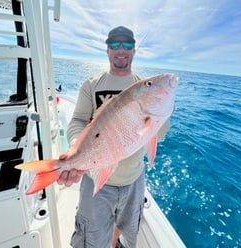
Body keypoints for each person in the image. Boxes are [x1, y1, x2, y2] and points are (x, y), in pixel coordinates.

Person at [57, 26, 170, 248]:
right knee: (92, 237)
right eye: (115, 44)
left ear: (134, 50)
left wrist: (163, 113)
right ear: (107, 50)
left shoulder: (144, 86)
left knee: (124, 229)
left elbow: (160, 135)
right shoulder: (91, 84)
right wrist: (75, 151)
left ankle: (114, 242)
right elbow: (79, 120)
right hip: (96, 177)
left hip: (134, 179)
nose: (121, 49)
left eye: (127, 45)